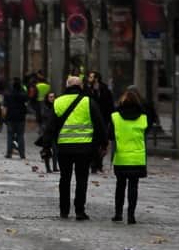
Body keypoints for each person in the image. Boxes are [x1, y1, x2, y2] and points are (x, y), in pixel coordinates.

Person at [53, 75, 105, 220]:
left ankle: (64, 210)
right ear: (81, 87)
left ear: (67, 86)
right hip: (84, 148)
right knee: (82, 179)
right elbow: (99, 124)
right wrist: (103, 143)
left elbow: (51, 125)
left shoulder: (58, 102)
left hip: (64, 148)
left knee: (65, 179)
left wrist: (46, 145)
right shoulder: (88, 102)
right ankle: (79, 211)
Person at [110, 86, 148, 224]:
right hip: (137, 158)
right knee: (133, 186)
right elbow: (146, 133)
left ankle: (118, 213)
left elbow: (110, 135)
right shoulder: (143, 118)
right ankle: (131, 215)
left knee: (120, 186)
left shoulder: (115, 117)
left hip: (121, 157)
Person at [89, 72, 115, 174]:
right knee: (93, 144)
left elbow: (110, 105)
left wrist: (110, 119)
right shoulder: (88, 89)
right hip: (91, 120)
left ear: (96, 78)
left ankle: (98, 164)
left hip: (103, 119)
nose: (89, 78)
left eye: (91, 77)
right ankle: (94, 165)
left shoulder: (104, 90)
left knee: (101, 143)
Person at [3, 80, 28, 160]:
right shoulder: (23, 95)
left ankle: (9, 153)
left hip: (10, 117)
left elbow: (5, 107)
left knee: (10, 135)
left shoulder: (8, 95)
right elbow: (26, 103)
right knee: (20, 135)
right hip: (20, 118)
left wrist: (4, 117)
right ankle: (22, 154)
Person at [38, 92, 57, 174]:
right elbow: (41, 116)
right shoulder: (44, 107)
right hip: (45, 131)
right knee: (46, 150)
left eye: (53, 97)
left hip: (54, 131)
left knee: (55, 150)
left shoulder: (57, 106)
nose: (52, 98)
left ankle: (55, 167)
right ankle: (48, 167)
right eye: (50, 97)